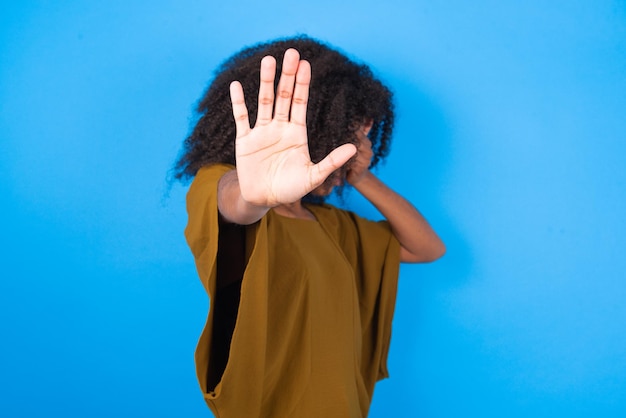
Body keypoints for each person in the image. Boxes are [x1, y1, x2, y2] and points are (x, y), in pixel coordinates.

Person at [174, 36, 445, 418]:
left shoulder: (335, 227)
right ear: (316, 134)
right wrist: (254, 193)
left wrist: (359, 176)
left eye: (359, 143)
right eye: (343, 140)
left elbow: (427, 248)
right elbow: (233, 204)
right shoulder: (227, 193)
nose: (352, 150)